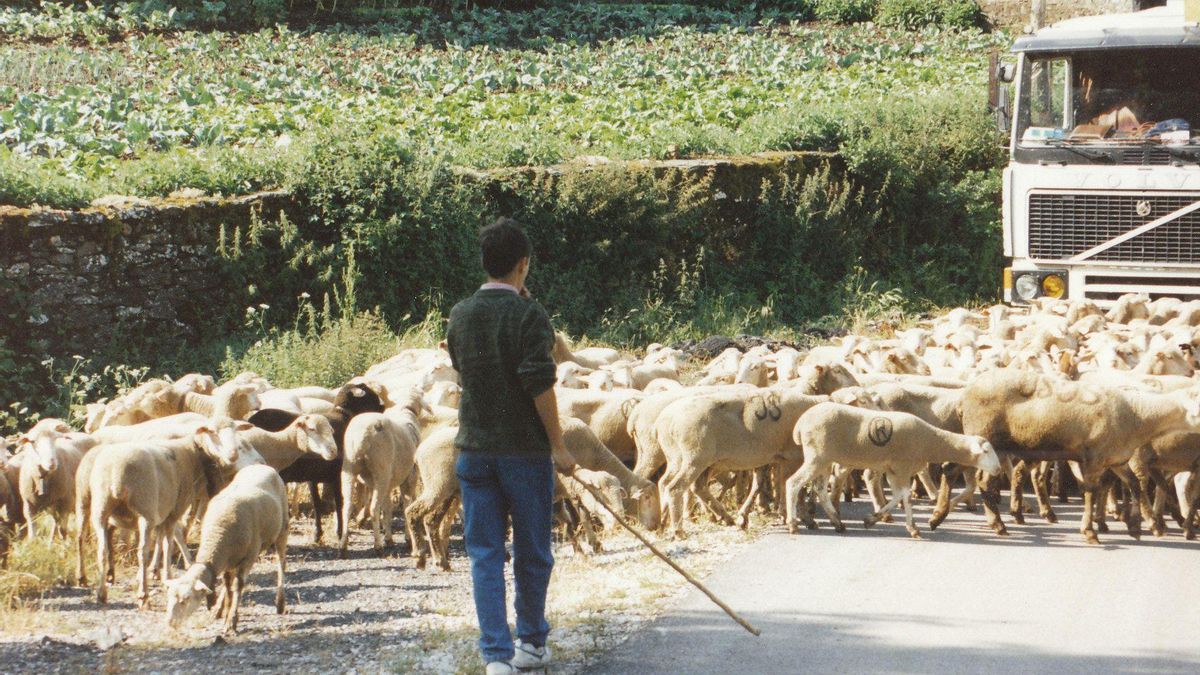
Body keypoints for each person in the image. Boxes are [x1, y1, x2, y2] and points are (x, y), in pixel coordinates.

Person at [445, 217, 592, 674]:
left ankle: (495, 655)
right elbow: (539, 383)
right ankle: (530, 642)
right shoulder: (530, 315)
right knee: (532, 550)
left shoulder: (460, 315)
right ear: (523, 264)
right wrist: (560, 447)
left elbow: (461, 364)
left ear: (485, 263)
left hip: (473, 450)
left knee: (484, 553)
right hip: (524, 454)